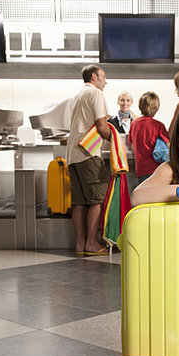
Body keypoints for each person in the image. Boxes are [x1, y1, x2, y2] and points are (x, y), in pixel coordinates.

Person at [66, 65, 112, 256]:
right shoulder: (96, 93)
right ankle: (92, 243)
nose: (105, 82)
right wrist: (115, 138)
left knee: (78, 202)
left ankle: (80, 244)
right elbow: (102, 127)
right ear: (94, 77)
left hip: (72, 155)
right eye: (103, 77)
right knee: (96, 200)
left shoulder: (76, 95)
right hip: (89, 153)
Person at [128, 91, 170, 184]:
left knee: (144, 195)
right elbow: (168, 145)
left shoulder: (134, 124)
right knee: (156, 196)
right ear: (156, 108)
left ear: (140, 106)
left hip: (140, 169)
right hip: (156, 169)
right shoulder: (159, 125)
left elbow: (131, 145)